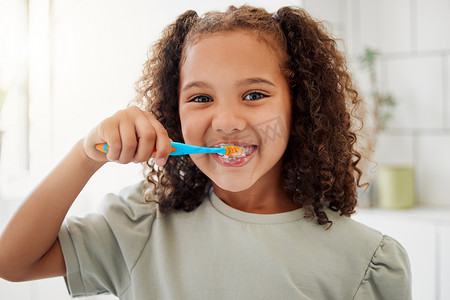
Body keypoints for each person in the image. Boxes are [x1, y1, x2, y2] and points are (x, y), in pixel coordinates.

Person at [0, 5, 411, 299]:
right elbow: (13, 262)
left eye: (254, 94)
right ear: (174, 113)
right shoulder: (141, 227)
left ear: (297, 105)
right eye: (200, 98)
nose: (227, 121)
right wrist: (87, 154)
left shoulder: (364, 263)